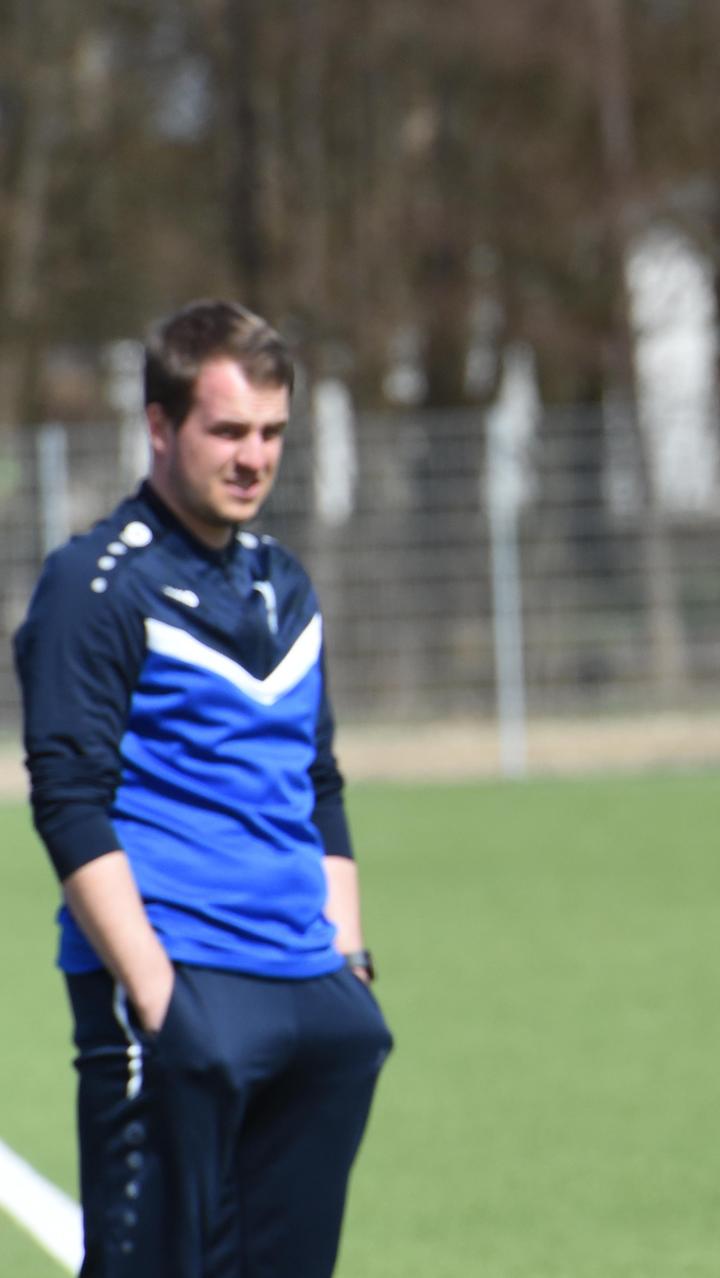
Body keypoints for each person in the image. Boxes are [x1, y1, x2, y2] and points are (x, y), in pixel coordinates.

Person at [12, 300, 392, 1278]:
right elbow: (66, 797)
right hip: (182, 991)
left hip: (313, 998)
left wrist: (346, 959)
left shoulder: (285, 583)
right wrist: (157, 996)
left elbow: (320, 781)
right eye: (227, 430)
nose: (252, 456)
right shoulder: (94, 585)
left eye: (270, 433)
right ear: (159, 426)